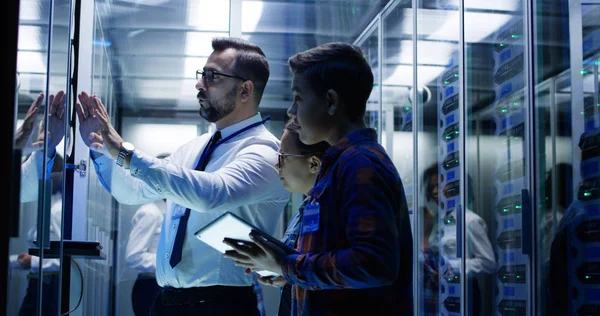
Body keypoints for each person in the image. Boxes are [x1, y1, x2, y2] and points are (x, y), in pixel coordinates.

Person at [75, 37, 289, 315]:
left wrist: (125, 152)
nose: (200, 85)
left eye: (212, 76)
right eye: (202, 75)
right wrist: (101, 149)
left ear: (245, 90)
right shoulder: (193, 149)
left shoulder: (263, 151)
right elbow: (133, 192)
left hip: (220, 307)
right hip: (166, 302)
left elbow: (210, 193)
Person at [223, 42, 414, 315]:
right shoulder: (340, 166)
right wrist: (289, 271)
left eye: (298, 98)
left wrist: (287, 265)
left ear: (331, 102)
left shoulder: (361, 164)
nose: (291, 111)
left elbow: (373, 264)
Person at [251, 119, 329, 316]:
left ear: (313, 163)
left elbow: (339, 274)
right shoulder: (306, 209)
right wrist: (284, 272)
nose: (277, 166)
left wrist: (287, 267)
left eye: (283, 157)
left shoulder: (334, 211)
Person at [422, 163, 495, 315]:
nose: (435, 192)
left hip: (464, 294)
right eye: (432, 187)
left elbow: (488, 263)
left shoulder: (470, 221)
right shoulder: (436, 220)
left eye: (440, 186)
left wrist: (450, 267)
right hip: (440, 294)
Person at [125, 155, 169, 316]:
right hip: (150, 288)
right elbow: (133, 256)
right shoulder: (150, 213)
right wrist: (170, 265)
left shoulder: (167, 210)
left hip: (160, 287)